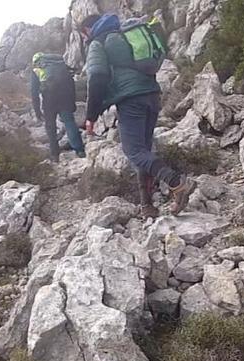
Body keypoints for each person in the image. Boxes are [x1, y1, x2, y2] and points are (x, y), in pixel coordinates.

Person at [80, 14, 195, 217]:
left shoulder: (98, 42)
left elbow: (96, 76)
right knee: (143, 152)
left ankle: (176, 184)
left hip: (131, 100)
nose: (83, 39)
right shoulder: (125, 37)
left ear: (88, 30)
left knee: (133, 151)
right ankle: (147, 205)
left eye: (83, 35)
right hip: (151, 95)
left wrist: (91, 115)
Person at [30, 52, 86, 161]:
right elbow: (70, 83)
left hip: (49, 100)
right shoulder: (60, 65)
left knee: (50, 126)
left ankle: (55, 155)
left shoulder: (36, 70)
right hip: (64, 98)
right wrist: (72, 102)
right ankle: (80, 150)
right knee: (69, 122)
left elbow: (34, 92)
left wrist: (37, 111)